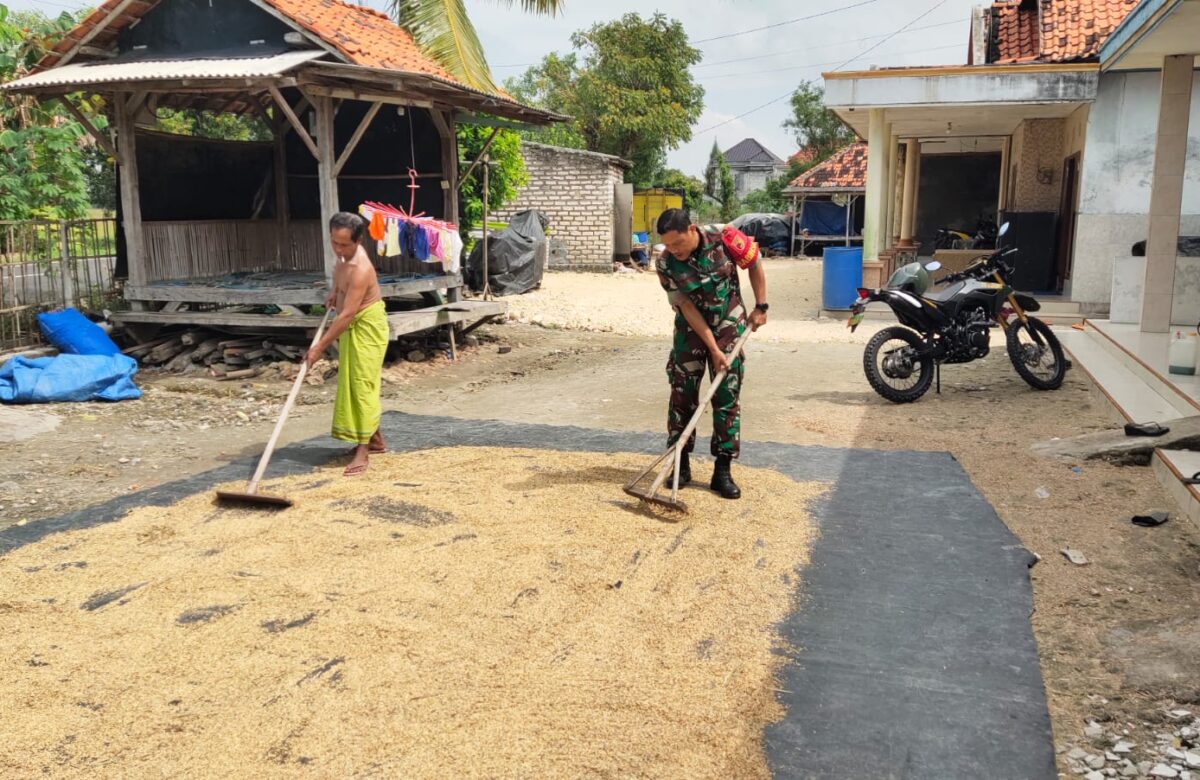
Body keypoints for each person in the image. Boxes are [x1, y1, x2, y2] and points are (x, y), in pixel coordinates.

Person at [655, 208, 768, 499]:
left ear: (692, 229)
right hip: (690, 329)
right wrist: (713, 348)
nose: (673, 250)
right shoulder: (665, 263)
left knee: (726, 395)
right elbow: (685, 306)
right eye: (668, 245)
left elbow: (754, 262)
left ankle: (723, 470)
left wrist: (761, 306)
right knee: (682, 395)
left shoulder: (725, 236)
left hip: (729, 323)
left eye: (678, 242)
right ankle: (680, 463)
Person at [306, 212, 389, 477]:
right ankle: (376, 440)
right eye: (335, 242)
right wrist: (335, 292)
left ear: (358, 241)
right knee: (354, 382)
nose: (339, 249)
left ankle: (363, 451)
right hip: (351, 323)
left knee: (363, 385)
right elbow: (339, 276)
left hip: (366, 327)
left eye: (344, 244)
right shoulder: (343, 257)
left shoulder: (361, 268)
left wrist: (319, 347)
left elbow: (347, 315)